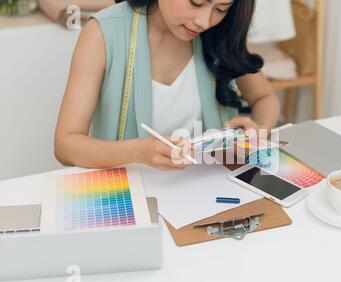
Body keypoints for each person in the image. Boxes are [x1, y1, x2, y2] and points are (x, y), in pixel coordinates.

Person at [54, 0, 280, 171]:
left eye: (221, 9)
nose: (204, 21)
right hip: (131, 194)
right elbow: (66, 146)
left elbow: (265, 98)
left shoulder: (221, 35)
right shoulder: (104, 33)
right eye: (196, 2)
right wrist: (139, 152)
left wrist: (259, 129)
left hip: (209, 186)